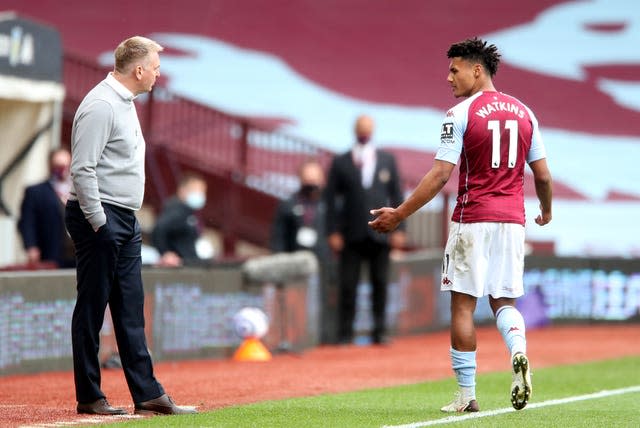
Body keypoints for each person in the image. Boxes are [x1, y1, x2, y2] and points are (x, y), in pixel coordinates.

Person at [369, 37, 552, 412]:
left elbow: (439, 176)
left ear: (476, 70)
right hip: (513, 222)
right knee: (504, 300)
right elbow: (544, 176)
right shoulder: (526, 112)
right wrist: (546, 211)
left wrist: (400, 214)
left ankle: (467, 395)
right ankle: (518, 350)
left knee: (463, 307)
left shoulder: (460, 114)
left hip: (472, 219)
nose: (448, 77)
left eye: (454, 69)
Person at [64, 36, 196, 416]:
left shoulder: (122, 102)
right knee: (92, 306)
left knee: (130, 307)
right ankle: (89, 395)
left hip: (123, 215)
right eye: (155, 66)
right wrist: (99, 222)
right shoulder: (103, 105)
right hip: (101, 216)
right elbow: (83, 169)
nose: (158, 73)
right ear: (138, 70)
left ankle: (148, 393)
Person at [324, 114, 406, 345]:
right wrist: (332, 231)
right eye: (361, 127)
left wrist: (400, 226)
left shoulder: (386, 160)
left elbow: (397, 195)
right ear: (354, 130)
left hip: (381, 232)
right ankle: (345, 334)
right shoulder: (341, 161)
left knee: (380, 283)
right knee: (347, 284)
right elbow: (330, 200)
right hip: (350, 233)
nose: (364, 131)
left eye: (367, 127)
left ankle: (379, 331)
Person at [18, 148, 75, 268]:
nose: (62, 170)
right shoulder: (36, 192)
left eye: (65, 165)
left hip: (78, 254)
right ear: (50, 166)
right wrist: (31, 246)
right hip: (51, 252)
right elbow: (27, 222)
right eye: (58, 166)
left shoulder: (78, 190)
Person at [270, 159, 328, 258]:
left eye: (315, 181)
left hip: (321, 262)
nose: (312, 185)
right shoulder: (288, 204)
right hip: (293, 261)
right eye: (308, 181)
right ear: (301, 179)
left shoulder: (330, 205)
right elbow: (278, 238)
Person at [152, 172, 209, 267]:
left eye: (203, 191)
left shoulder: (188, 212)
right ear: (182, 190)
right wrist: (166, 253)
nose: (200, 194)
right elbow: (158, 229)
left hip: (189, 264)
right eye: (197, 190)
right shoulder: (177, 210)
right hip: (180, 268)